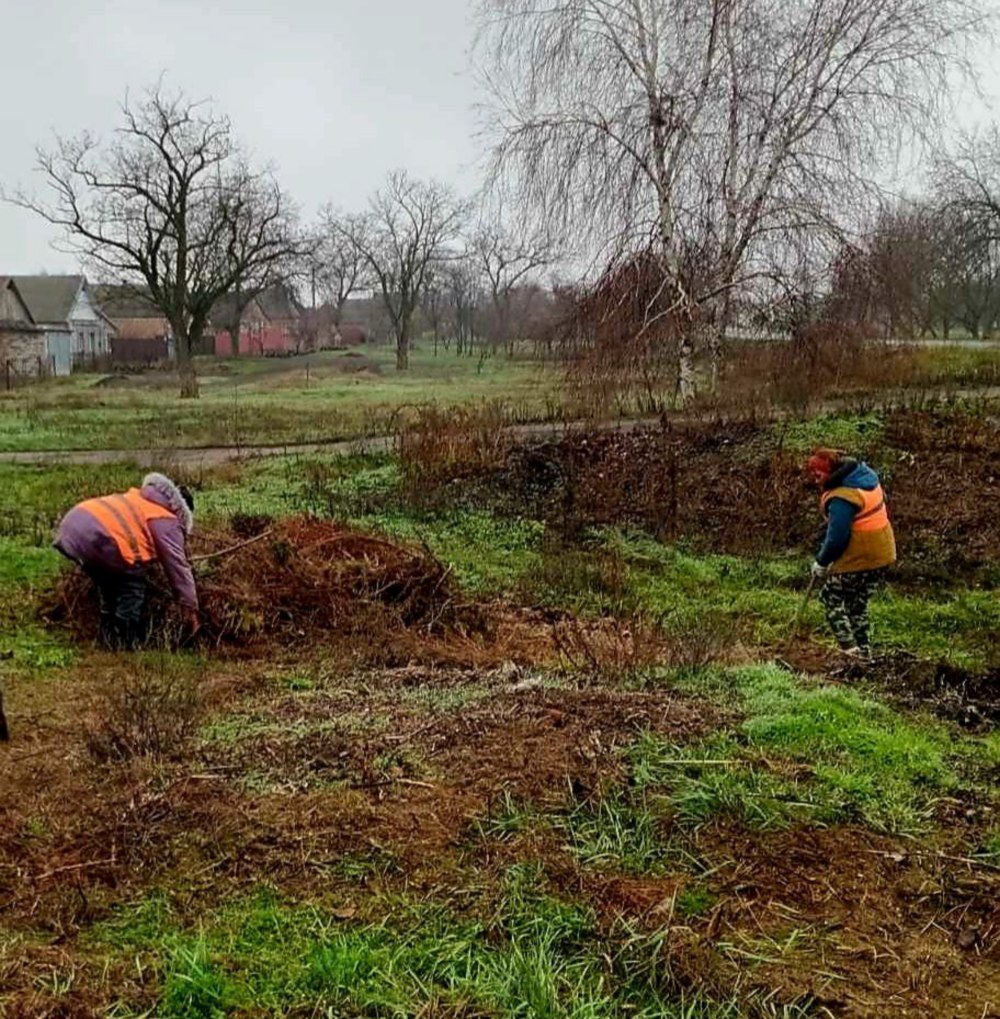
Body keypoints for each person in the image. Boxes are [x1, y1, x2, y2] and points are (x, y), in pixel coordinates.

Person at [54, 473, 200, 649]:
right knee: (132, 584)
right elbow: (177, 567)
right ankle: (125, 642)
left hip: (75, 526)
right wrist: (190, 608)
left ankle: (107, 637)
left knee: (108, 584)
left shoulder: (141, 497)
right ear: (182, 512)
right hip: (101, 538)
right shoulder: (167, 519)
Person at [806, 448, 896, 660]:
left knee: (830, 598)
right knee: (857, 604)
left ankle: (851, 653)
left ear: (829, 471)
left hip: (861, 556)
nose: (814, 479)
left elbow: (837, 538)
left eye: (817, 473)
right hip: (883, 553)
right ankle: (865, 653)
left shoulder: (842, 498)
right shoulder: (864, 477)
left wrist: (822, 561)